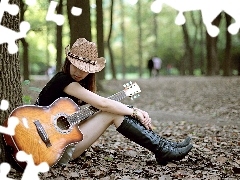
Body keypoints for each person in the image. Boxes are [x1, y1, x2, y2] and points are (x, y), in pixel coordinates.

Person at [35, 38, 193, 166]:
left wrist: (131, 109)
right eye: (75, 66)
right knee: (111, 112)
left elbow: (91, 110)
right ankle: (162, 149)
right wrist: (133, 111)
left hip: (60, 142)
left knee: (114, 111)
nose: (78, 72)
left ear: (91, 71)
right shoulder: (63, 80)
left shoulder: (78, 85)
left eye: (84, 69)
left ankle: (165, 146)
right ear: (68, 62)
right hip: (51, 148)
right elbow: (103, 104)